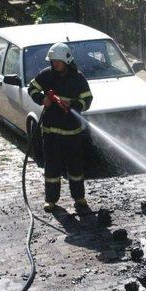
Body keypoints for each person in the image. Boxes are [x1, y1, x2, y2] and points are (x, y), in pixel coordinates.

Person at [27, 43, 94, 215]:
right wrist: (42, 100)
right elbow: (32, 88)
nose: (54, 64)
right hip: (50, 132)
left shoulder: (78, 78)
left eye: (57, 61)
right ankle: (51, 200)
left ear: (66, 59)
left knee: (76, 168)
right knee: (52, 168)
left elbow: (87, 100)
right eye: (52, 61)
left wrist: (72, 103)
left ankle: (79, 198)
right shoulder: (47, 75)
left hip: (72, 132)